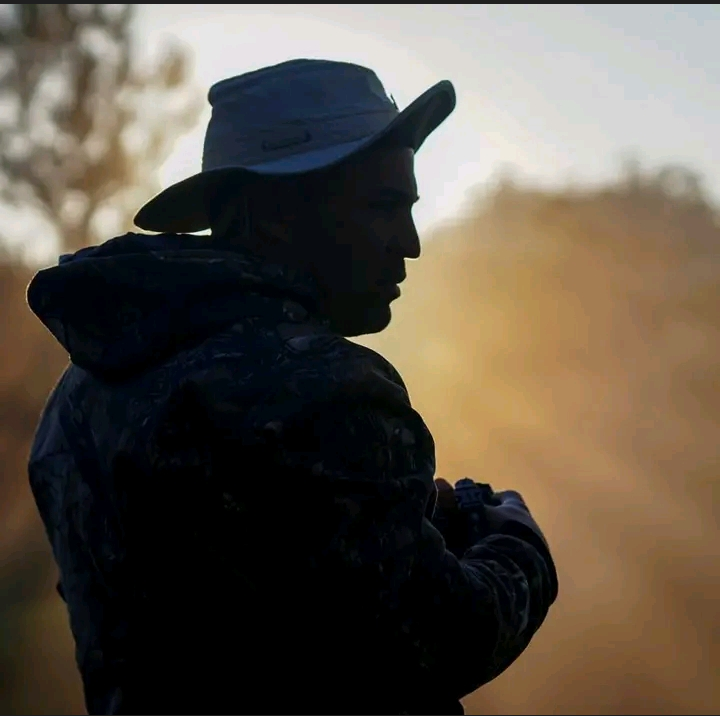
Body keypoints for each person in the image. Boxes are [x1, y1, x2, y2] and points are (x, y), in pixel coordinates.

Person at [26, 59, 558, 716]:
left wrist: (413, 519)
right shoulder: (326, 390)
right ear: (276, 214)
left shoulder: (77, 397)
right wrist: (517, 542)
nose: (412, 243)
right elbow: (438, 642)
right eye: (385, 206)